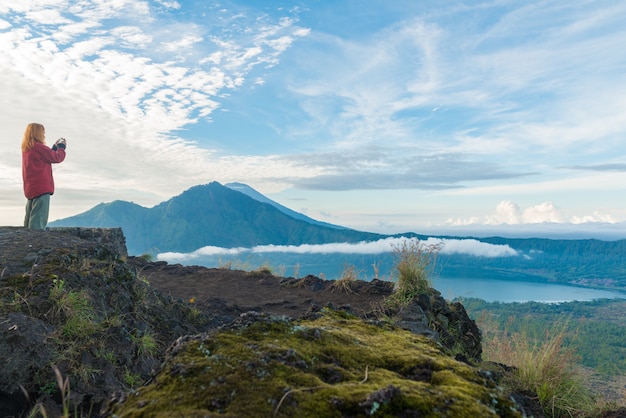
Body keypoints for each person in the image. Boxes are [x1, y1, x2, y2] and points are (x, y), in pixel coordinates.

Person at [21, 122, 67, 230]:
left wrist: (53, 148)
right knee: (38, 221)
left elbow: (46, 156)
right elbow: (57, 158)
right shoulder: (38, 147)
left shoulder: (27, 149)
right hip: (42, 188)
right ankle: (35, 244)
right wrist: (61, 147)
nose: (44, 135)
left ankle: (27, 243)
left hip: (31, 188)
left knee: (29, 219)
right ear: (38, 133)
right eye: (43, 133)